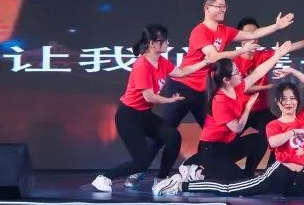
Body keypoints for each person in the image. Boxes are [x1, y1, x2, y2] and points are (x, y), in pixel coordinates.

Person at [154, 67, 304, 197]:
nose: (289, 103)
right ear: (279, 103)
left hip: (298, 178)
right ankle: (179, 185)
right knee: (231, 189)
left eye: (293, 99)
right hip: (278, 174)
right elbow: (273, 141)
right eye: (285, 100)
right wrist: (292, 134)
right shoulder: (275, 124)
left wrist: (291, 71)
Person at [153, 41, 294, 194]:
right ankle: (192, 176)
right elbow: (237, 128)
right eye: (236, 72)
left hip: (227, 146)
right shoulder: (219, 101)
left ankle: (246, 176)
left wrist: (278, 55)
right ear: (226, 80)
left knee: (259, 140)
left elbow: (258, 72)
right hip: (211, 150)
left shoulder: (236, 88)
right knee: (233, 185)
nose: (240, 74)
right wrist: (248, 108)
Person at [90, 24, 214, 192]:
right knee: (142, 162)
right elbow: (148, 97)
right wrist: (170, 100)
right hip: (128, 116)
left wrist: (205, 62)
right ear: (153, 43)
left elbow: (181, 72)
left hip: (144, 114)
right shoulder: (142, 65)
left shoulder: (161, 61)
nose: (167, 43)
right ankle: (104, 177)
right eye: (164, 40)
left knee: (173, 137)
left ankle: (161, 179)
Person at [160, 0, 294, 129]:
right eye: (219, 6)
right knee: (167, 132)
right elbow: (213, 57)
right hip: (183, 86)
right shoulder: (199, 31)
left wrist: (276, 26)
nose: (223, 9)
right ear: (207, 8)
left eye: (224, 6)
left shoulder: (224, 30)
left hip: (204, 90)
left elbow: (252, 34)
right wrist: (242, 51)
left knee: (214, 131)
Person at [233, 17, 304, 137]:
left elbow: (289, 48)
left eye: (255, 34)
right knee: (230, 139)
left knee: (276, 136)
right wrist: (268, 87)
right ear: (240, 37)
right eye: (248, 34)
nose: (252, 38)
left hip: (262, 110)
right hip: (241, 111)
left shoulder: (263, 55)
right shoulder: (234, 62)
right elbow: (242, 88)